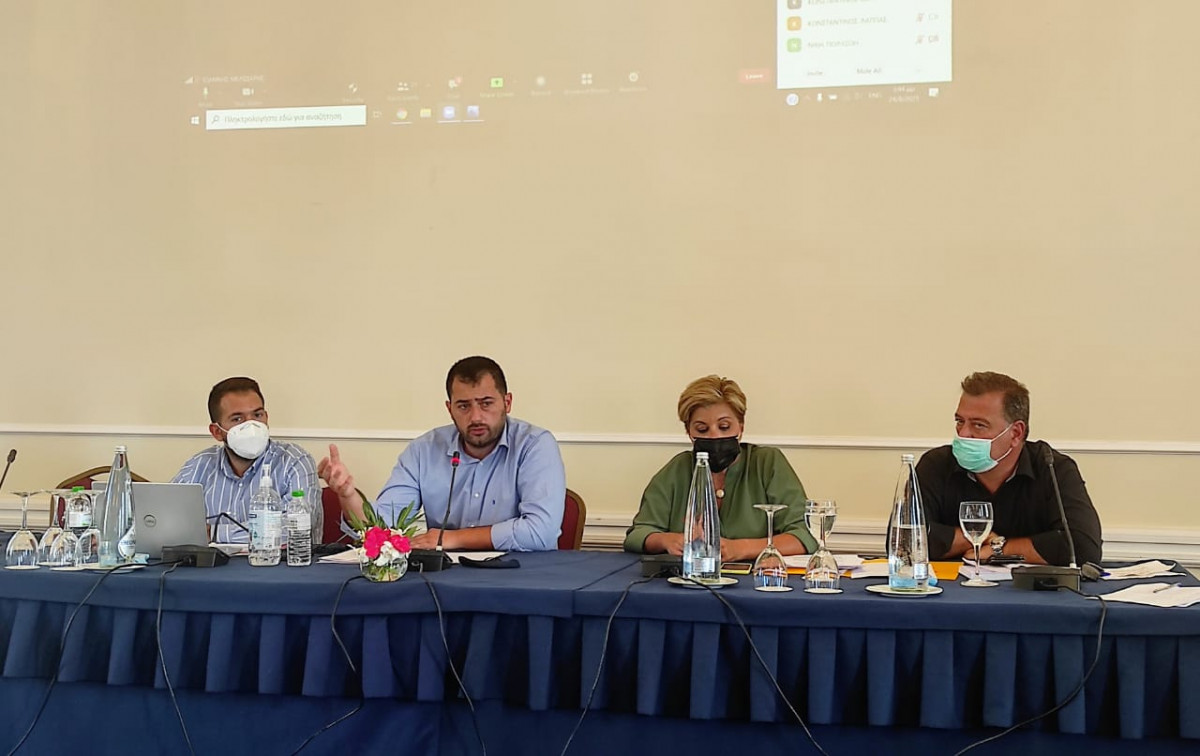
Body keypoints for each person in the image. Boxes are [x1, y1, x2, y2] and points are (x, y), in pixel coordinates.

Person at [319, 356, 566, 552]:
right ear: (449, 409)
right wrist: (348, 495)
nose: (476, 417)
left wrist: (453, 538)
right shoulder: (423, 451)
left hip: (521, 579)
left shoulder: (535, 445)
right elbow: (381, 527)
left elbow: (541, 531)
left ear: (507, 402)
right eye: (464, 406)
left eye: (486, 403)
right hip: (444, 581)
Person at [916, 371, 1102, 566]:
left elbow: (1083, 547)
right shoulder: (935, 465)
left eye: (978, 425)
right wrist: (975, 537)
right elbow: (906, 539)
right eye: (960, 421)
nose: (963, 433)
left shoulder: (1053, 468)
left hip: (1031, 586)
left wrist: (998, 548)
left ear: (1015, 433)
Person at [624, 375, 817, 561]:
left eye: (724, 427)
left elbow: (804, 536)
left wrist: (741, 548)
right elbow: (638, 534)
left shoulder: (767, 463)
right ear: (689, 432)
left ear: (741, 427)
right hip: (691, 575)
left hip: (758, 577)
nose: (714, 436)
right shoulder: (678, 469)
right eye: (702, 429)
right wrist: (667, 540)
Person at [172, 376, 322, 545]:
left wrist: (214, 533)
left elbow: (298, 527)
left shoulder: (294, 461)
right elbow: (166, 520)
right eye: (237, 419)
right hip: (211, 562)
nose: (251, 426)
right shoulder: (199, 465)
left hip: (277, 562)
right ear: (217, 431)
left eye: (257, 415)